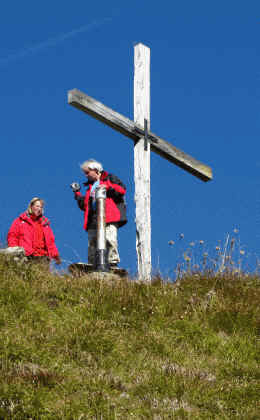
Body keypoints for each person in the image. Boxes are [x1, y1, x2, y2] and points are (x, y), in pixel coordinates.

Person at [70, 159, 127, 268]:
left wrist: (108, 187)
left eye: (87, 172)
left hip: (109, 216)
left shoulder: (109, 178)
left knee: (109, 239)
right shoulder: (90, 188)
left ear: (95, 170)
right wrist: (77, 193)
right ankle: (93, 263)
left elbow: (121, 190)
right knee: (92, 242)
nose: (86, 175)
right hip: (93, 218)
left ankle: (112, 262)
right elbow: (85, 205)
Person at [7, 197, 61, 266]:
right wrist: (14, 249)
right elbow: (12, 236)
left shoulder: (45, 224)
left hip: (43, 257)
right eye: (37, 206)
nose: (39, 209)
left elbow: (50, 242)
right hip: (27, 255)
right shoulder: (20, 221)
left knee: (41, 276)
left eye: (41, 207)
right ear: (31, 207)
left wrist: (56, 255)